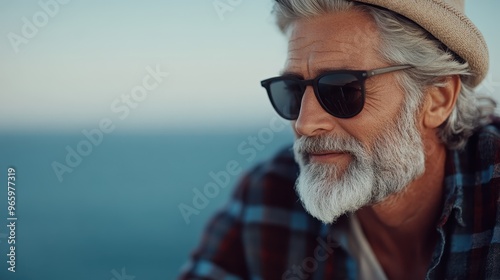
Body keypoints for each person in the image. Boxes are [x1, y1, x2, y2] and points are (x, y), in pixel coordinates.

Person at [179, 0, 499, 279]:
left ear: (437, 99)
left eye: (342, 89)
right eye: (292, 90)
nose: (305, 124)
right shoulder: (267, 196)